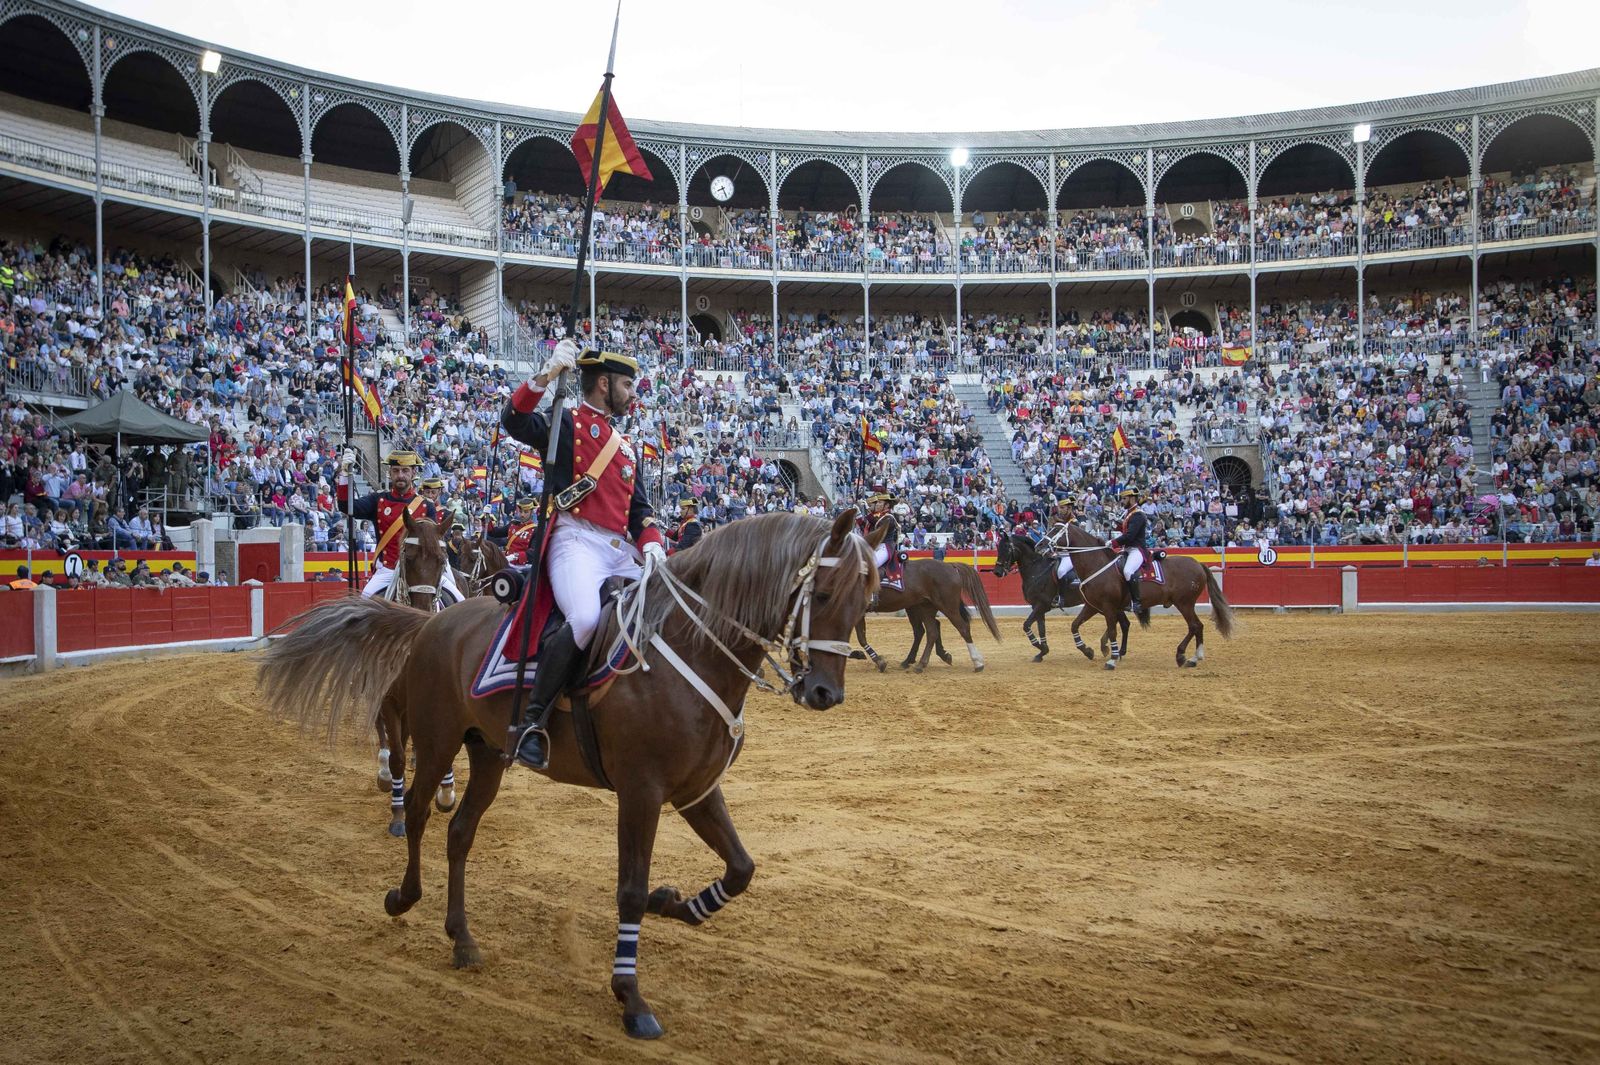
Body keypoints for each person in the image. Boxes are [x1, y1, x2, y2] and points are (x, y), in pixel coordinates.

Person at [499, 340, 666, 770]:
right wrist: (547, 375)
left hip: (618, 548)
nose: (633, 393)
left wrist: (651, 545)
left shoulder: (627, 448)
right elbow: (514, 421)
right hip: (574, 540)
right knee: (587, 619)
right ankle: (533, 721)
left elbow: (640, 511)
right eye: (628, 385)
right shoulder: (566, 422)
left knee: (668, 603)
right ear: (605, 383)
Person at [338, 451, 463, 605]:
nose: (400, 475)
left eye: (405, 471)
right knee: (361, 608)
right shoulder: (378, 500)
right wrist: (344, 473)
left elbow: (432, 542)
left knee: (459, 601)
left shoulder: (426, 505)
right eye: (396, 471)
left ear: (413, 473)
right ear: (390, 473)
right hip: (387, 571)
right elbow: (347, 507)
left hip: (421, 572)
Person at [1106, 487, 1149, 615]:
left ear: (1132, 498)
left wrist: (1113, 542)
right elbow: (1125, 529)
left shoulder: (1138, 515)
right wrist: (1115, 522)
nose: (1122, 501)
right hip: (1127, 549)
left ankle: (1137, 602)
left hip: (1137, 549)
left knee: (1128, 571)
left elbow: (1130, 536)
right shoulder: (1130, 513)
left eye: (1124, 499)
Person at [1042, 495, 1080, 604]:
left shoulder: (1073, 522)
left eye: (1063, 508)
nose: (1060, 510)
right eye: (1060, 507)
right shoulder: (1062, 520)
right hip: (1059, 552)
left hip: (1069, 554)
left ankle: (1061, 597)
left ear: (1069, 508)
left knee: (1061, 571)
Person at [862, 490, 901, 583]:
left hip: (885, 547)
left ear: (887, 505)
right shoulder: (877, 517)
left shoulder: (889, 518)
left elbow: (878, 525)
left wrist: (868, 511)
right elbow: (865, 526)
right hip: (874, 547)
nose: (876, 504)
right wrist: (859, 514)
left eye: (879, 502)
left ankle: (872, 593)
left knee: (870, 566)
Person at [503, 498, 540, 565]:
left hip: (523, 565)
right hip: (507, 561)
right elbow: (495, 533)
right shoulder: (513, 524)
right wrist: (487, 519)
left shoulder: (536, 529)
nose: (522, 515)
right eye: (520, 511)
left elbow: (534, 552)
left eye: (526, 512)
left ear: (531, 513)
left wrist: (515, 556)